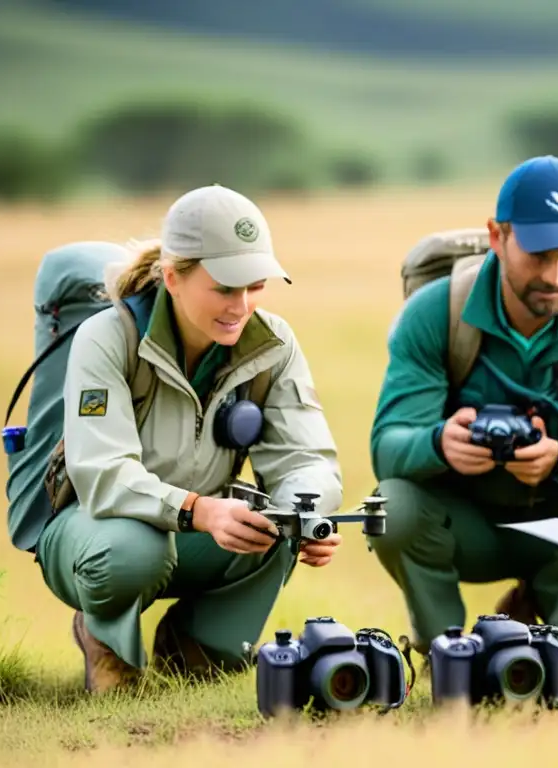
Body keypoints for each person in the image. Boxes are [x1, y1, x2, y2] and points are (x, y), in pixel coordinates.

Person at [35, 185, 345, 694]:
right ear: (174, 277)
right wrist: (201, 510)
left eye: (255, 285)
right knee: (137, 548)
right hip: (99, 532)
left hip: (200, 530)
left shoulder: (273, 342)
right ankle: (107, 642)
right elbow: (104, 474)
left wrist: (303, 515)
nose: (240, 306)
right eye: (224, 287)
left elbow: (305, 457)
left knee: (275, 526)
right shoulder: (106, 338)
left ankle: (197, 649)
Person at [367, 155, 558, 656]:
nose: (556, 274)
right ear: (497, 236)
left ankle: (543, 629)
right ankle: (445, 649)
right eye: (539, 253)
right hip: (463, 526)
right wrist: (441, 444)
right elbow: (387, 449)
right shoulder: (435, 313)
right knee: (389, 508)